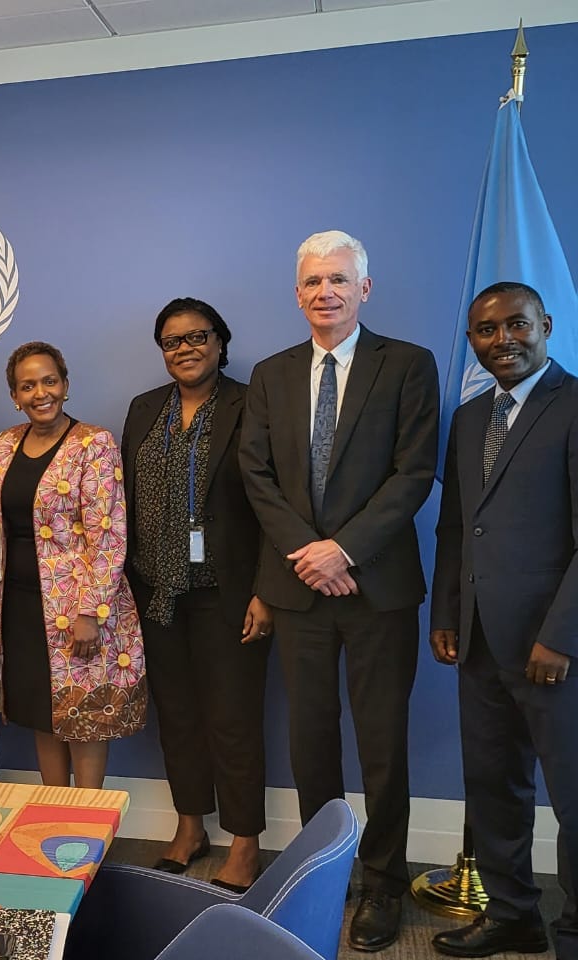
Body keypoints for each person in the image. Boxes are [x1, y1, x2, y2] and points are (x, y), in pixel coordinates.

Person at [238, 230, 439, 950]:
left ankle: (384, 885)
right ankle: (322, 875)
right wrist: (310, 555)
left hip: (376, 587)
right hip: (300, 590)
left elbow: (415, 473)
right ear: (297, 294)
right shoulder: (271, 374)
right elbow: (256, 476)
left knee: (383, 743)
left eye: (339, 281)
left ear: (365, 288)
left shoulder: (409, 365)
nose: (325, 292)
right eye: (313, 282)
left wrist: (344, 549)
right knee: (311, 742)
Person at [431, 282, 578, 959]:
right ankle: (513, 914)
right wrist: (448, 611)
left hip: (554, 647)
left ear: (545, 325)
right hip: (481, 642)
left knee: (572, 794)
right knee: (493, 784)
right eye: (486, 332)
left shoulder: (573, 405)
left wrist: (561, 635)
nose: (502, 341)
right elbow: (459, 526)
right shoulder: (466, 419)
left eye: (516, 325)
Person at [122, 300, 272, 891]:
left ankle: (244, 841)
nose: (183, 349)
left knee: (233, 719)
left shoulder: (251, 402)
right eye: (170, 341)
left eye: (196, 337)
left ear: (220, 342)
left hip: (228, 591)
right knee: (178, 717)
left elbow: (271, 503)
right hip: (157, 591)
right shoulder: (143, 409)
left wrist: (266, 591)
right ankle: (190, 826)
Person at [0, 341, 147, 790]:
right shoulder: (5, 444)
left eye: (49, 381)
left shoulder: (92, 444)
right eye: (28, 386)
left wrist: (90, 612)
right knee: (44, 712)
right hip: (21, 605)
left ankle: (87, 830)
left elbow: (110, 532)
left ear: (65, 385)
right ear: (14, 396)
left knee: (84, 714)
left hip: (77, 609)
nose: (40, 393)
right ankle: (53, 821)